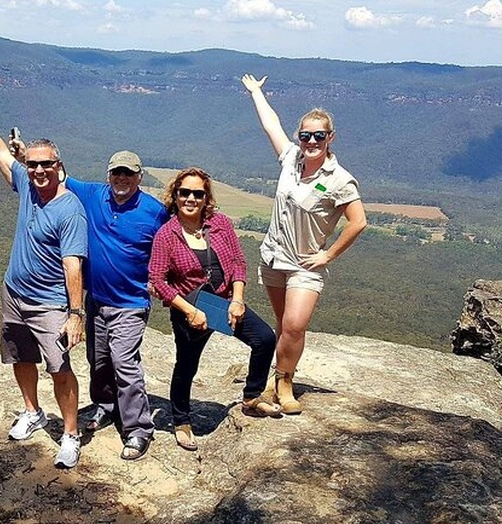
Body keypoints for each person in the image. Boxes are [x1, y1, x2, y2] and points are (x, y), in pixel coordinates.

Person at [0, 77, 88, 469]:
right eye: (33, 164)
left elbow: (73, 265)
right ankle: (33, 411)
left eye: (47, 164)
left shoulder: (70, 209)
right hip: (14, 294)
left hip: (50, 304)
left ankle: (71, 433)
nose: (40, 170)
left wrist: (76, 315)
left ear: (59, 167)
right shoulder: (28, 187)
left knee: (60, 368)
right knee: (20, 358)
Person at [241, 74, 367, 415]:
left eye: (318, 135)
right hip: (273, 257)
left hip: (305, 263)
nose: (311, 140)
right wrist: (256, 93)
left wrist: (328, 254)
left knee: (295, 324)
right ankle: (276, 378)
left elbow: (358, 221)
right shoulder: (291, 160)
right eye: (306, 135)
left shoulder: (339, 180)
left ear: (330, 138)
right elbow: (271, 126)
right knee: (283, 324)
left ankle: (285, 381)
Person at [149, 167, 278, 451]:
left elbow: (237, 262)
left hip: (223, 302)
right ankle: (181, 421)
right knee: (187, 365)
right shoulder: (167, 235)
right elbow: (158, 280)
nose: (191, 199)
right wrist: (189, 311)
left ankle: (252, 396)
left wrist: (238, 299)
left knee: (265, 339)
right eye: (185, 193)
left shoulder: (220, 224)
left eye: (198, 193)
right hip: (190, 308)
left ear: (206, 197)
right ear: (176, 195)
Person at [65, 151, 169, 461]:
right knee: (98, 361)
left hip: (131, 303)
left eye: (128, 174)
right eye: (116, 173)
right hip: (96, 300)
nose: (121, 179)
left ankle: (138, 429)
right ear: (108, 175)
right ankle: (107, 405)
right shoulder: (95, 195)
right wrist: (19, 155)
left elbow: (171, 245)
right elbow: (57, 175)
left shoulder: (154, 211)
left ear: (139, 176)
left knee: (124, 361)